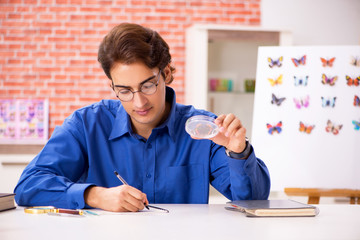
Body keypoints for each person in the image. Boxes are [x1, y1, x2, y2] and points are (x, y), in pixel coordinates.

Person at [14, 23, 270, 212]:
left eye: (148, 85)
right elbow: (29, 186)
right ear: (112, 86)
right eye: (124, 91)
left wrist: (239, 152)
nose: (139, 102)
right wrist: (94, 195)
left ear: (166, 73)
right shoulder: (86, 125)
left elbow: (254, 201)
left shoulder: (204, 129)